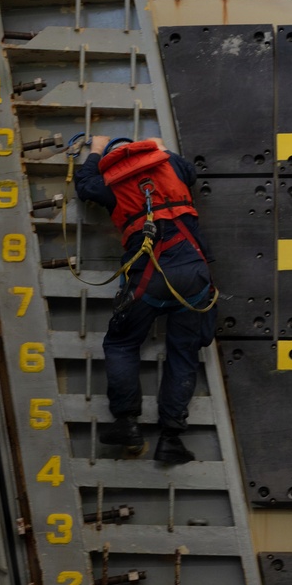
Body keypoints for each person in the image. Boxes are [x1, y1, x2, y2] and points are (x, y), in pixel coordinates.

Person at [74, 134, 218, 466]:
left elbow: (84, 185)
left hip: (149, 277)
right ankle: (171, 439)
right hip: (194, 274)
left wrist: (95, 149)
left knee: (122, 344)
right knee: (183, 352)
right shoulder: (169, 164)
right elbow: (190, 172)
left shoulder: (109, 182)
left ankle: (127, 423)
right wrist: (160, 145)